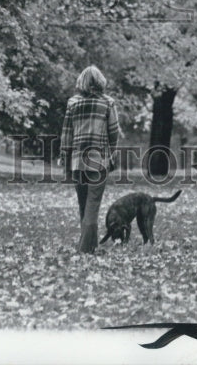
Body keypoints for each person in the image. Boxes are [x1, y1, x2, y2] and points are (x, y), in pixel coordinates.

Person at [59, 65, 121, 253]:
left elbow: (66, 134)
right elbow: (114, 131)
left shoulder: (73, 103)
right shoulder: (108, 103)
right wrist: (112, 152)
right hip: (98, 161)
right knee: (92, 206)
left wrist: (64, 157)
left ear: (81, 82)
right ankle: (86, 249)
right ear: (100, 81)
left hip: (77, 161)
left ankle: (88, 245)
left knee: (83, 204)